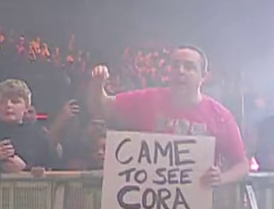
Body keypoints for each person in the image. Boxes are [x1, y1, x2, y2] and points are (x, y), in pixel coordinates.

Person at [85, 47, 250, 187]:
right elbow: (102, 107)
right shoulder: (148, 100)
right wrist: (97, 84)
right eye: (175, 66)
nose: (181, 71)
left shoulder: (220, 116)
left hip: (197, 208)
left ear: (204, 76)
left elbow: (242, 165)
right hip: (148, 205)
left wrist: (222, 178)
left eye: (189, 67)